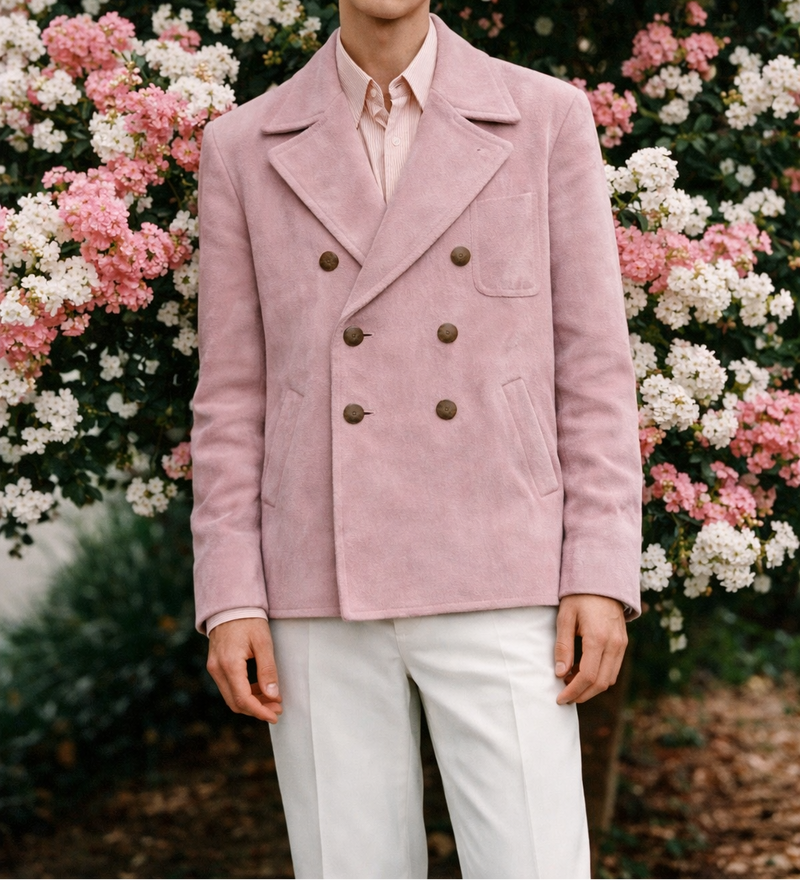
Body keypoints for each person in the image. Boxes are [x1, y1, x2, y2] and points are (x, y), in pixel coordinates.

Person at [191, 0, 642, 876]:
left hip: (503, 563)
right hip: (317, 578)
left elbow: (593, 367)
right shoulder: (244, 146)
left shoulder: (543, 117)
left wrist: (598, 567)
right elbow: (233, 393)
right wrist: (233, 593)